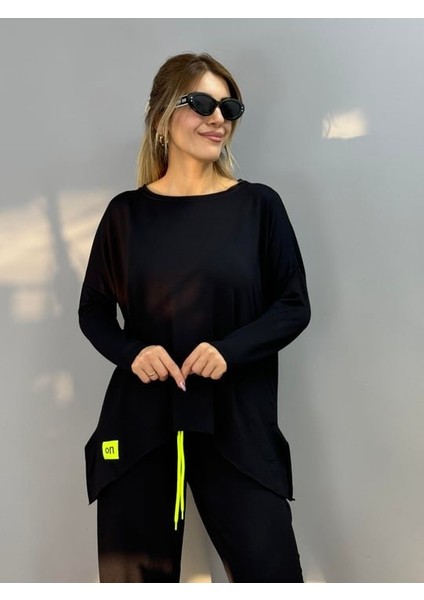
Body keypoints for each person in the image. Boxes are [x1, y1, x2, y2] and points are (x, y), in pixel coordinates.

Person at [78, 51, 311, 583]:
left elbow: (293, 304)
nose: (218, 118)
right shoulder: (125, 214)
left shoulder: (258, 207)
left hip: (237, 428)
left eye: (229, 107)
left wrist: (229, 352)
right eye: (203, 103)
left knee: (272, 575)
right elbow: (93, 310)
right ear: (163, 114)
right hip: (140, 429)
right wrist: (133, 353)